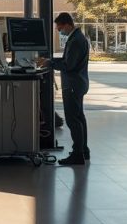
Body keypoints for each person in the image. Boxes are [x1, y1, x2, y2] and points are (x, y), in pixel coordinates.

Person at [37, 12, 91, 165]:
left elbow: (68, 65)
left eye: (59, 27)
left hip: (73, 84)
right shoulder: (79, 37)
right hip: (79, 83)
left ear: (67, 24)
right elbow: (68, 60)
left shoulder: (75, 41)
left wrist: (49, 63)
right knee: (79, 118)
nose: (59, 30)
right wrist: (50, 60)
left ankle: (77, 154)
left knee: (73, 120)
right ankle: (83, 151)